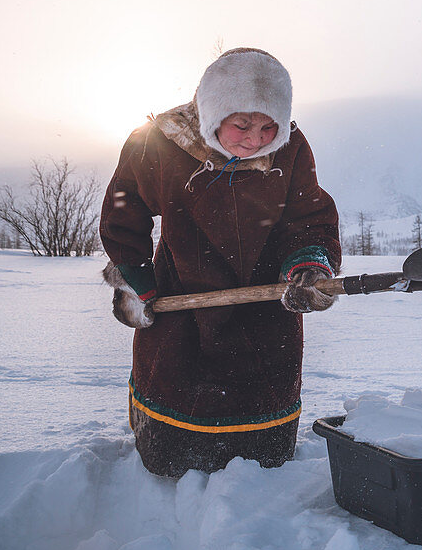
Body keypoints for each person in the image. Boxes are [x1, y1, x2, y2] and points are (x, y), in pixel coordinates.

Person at [99, 47, 341, 478]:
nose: (255, 139)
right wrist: (134, 277)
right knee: (178, 387)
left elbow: (308, 218)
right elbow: (125, 208)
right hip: (181, 297)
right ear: (213, 113)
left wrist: (309, 264)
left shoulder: (291, 150)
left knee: (260, 413)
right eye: (242, 124)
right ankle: (168, 461)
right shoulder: (159, 143)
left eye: (270, 126)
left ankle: (261, 466)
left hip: (265, 306)